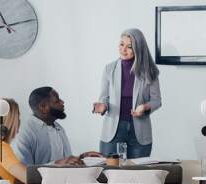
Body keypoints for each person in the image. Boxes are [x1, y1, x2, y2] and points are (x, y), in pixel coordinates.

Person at [93, 28, 162, 159]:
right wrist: (103, 106)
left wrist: (144, 107)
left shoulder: (150, 71)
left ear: (138, 48)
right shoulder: (109, 69)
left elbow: (156, 100)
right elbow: (104, 98)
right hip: (113, 131)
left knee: (137, 174)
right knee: (110, 172)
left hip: (139, 133)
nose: (123, 49)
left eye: (129, 46)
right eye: (121, 44)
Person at [14, 86, 101, 165]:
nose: (62, 102)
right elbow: (24, 173)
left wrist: (81, 158)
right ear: (43, 107)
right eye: (57, 101)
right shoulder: (24, 133)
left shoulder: (58, 128)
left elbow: (65, 162)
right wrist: (57, 164)